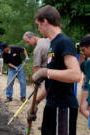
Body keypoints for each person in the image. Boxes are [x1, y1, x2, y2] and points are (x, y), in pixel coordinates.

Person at [28, 5, 81, 135]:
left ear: (45, 21)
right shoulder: (52, 45)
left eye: (38, 25)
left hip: (63, 107)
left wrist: (45, 72)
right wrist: (35, 103)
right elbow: (51, 82)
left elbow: (76, 74)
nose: (38, 29)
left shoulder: (64, 42)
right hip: (52, 105)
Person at [23, 31, 50, 123]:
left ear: (32, 37)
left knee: (48, 101)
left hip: (45, 76)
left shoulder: (37, 49)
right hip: (52, 73)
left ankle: (47, 124)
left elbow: (36, 69)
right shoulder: (46, 40)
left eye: (27, 41)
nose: (28, 44)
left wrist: (35, 83)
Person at [79, 35, 90, 129]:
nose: (83, 52)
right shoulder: (87, 64)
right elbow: (82, 66)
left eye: (83, 50)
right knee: (82, 109)